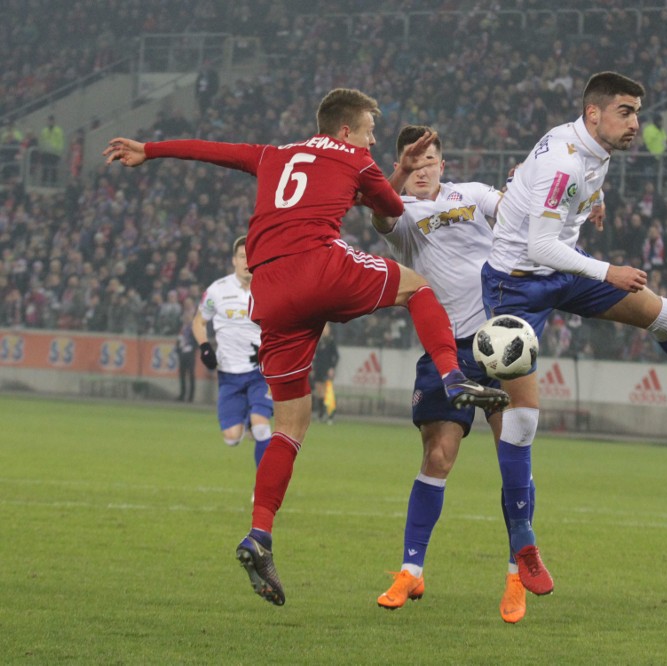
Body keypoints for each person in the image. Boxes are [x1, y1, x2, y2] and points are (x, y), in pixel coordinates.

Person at [103, 88, 508, 608]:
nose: (372, 138)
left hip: (270, 292)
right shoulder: (357, 159)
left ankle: (260, 534)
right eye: (368, 130)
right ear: (346, 131)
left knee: (290, 423)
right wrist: (396, 171)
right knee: (418, 288)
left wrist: (150, 150)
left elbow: (214, 149)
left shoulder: (273, 155)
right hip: (319, 266)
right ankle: (454, 375)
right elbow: (388, 208)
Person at [479, 71, 667, 597]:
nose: (636, 123)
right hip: (516, 286)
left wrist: (588, 206)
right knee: (524, 419)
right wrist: (607, 270)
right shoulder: (565, 161)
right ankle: (524, 539)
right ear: (594, 113)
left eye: (637, 112)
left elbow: (552, 199)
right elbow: (538, 246)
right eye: (626, 111)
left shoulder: (588, 149)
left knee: (663, 312)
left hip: (561, 273)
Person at [371, 125, 527, 623]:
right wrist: (393, 181)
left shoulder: (474, 194)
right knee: (438, 456)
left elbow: (514, 212)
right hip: (444, 351)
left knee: (512, 460)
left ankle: (516, 574)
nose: (421, 171)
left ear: (443, 163)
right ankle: (411, 569)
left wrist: (524, 188)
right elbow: (377, 213)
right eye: (412, 164)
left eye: (429, 161)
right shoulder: (402, 214)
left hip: (501, 339)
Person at [193, 236, 273, 468]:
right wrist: (205, 347)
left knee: (260, 426)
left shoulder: (270, 287)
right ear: (234, 260)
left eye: (251, 255)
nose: (247, 261)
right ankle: (246, 419)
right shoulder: (217, 290)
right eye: (242, 256)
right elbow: (199, 322)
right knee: (232, 438)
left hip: (260, 372)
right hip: (229, 374)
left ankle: (263, 489)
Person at [311, 323, 339, 423]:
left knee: (328, 393)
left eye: (326, 328)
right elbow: (314, 356)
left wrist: (332, 367)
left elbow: (336, 356)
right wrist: (313, 368)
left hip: (327, 369)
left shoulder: (330, 341)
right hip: (318, 369)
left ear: (329, 329)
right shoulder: (317, 341)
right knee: (319, 392)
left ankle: (331, 414)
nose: (324, 330)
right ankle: (321, 414)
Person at [176, 310, 198, 402]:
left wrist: (192, 348)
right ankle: (182, 394)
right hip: (182, 353)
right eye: (185, 318)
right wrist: (178, 349)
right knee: (182, 374)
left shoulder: (193, 328)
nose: (186, 319)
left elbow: (197, 341)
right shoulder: (182, 329)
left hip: (190, 353)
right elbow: (178, 340)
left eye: (188, 318)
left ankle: (191, 397)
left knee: (191, 374)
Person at [39, 114, 65, 186]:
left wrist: (59, 152)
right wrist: (42, 150)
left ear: (54, 121)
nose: (50, 122)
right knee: (45, 169)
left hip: (54, 153)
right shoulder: (44, 130)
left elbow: (61, 141)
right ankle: (43, 183)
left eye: (51, 120)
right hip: (46, 152)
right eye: (49, 120)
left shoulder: (58, 130)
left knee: (54, 169)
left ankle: (53, 184)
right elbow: (42, 141)